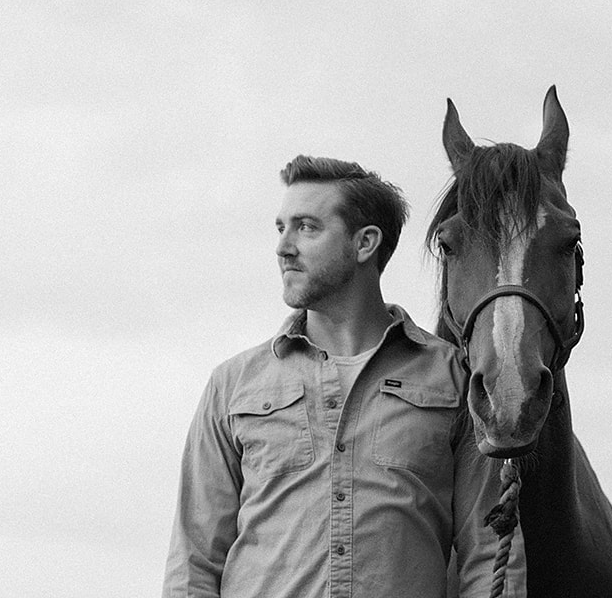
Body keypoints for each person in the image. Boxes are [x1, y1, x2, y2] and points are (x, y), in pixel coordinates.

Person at [163, 155, 519, 598]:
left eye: (307, 227)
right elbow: (194, 564)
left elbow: (491, 554)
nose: (284, 246)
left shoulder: (454, 379)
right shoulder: (232, 387)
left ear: (365, 243)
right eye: (281, 228)